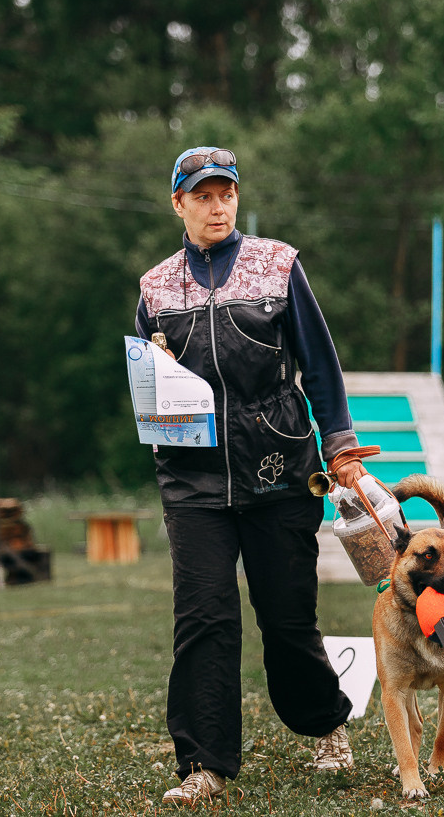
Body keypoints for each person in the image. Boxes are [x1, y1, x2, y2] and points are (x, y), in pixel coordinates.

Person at [135, 146, 372, 806]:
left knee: (288, 618)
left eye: (226, 193)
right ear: (178, 203)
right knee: (203, 618)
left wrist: (341, 448)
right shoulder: (155, 288)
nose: (217, 205)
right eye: (202, 195)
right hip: (194, 482)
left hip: (280, 469)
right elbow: (148, 389)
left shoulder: (279, 265)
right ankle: (204, 765)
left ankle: (325, 723)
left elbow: (319, 367)